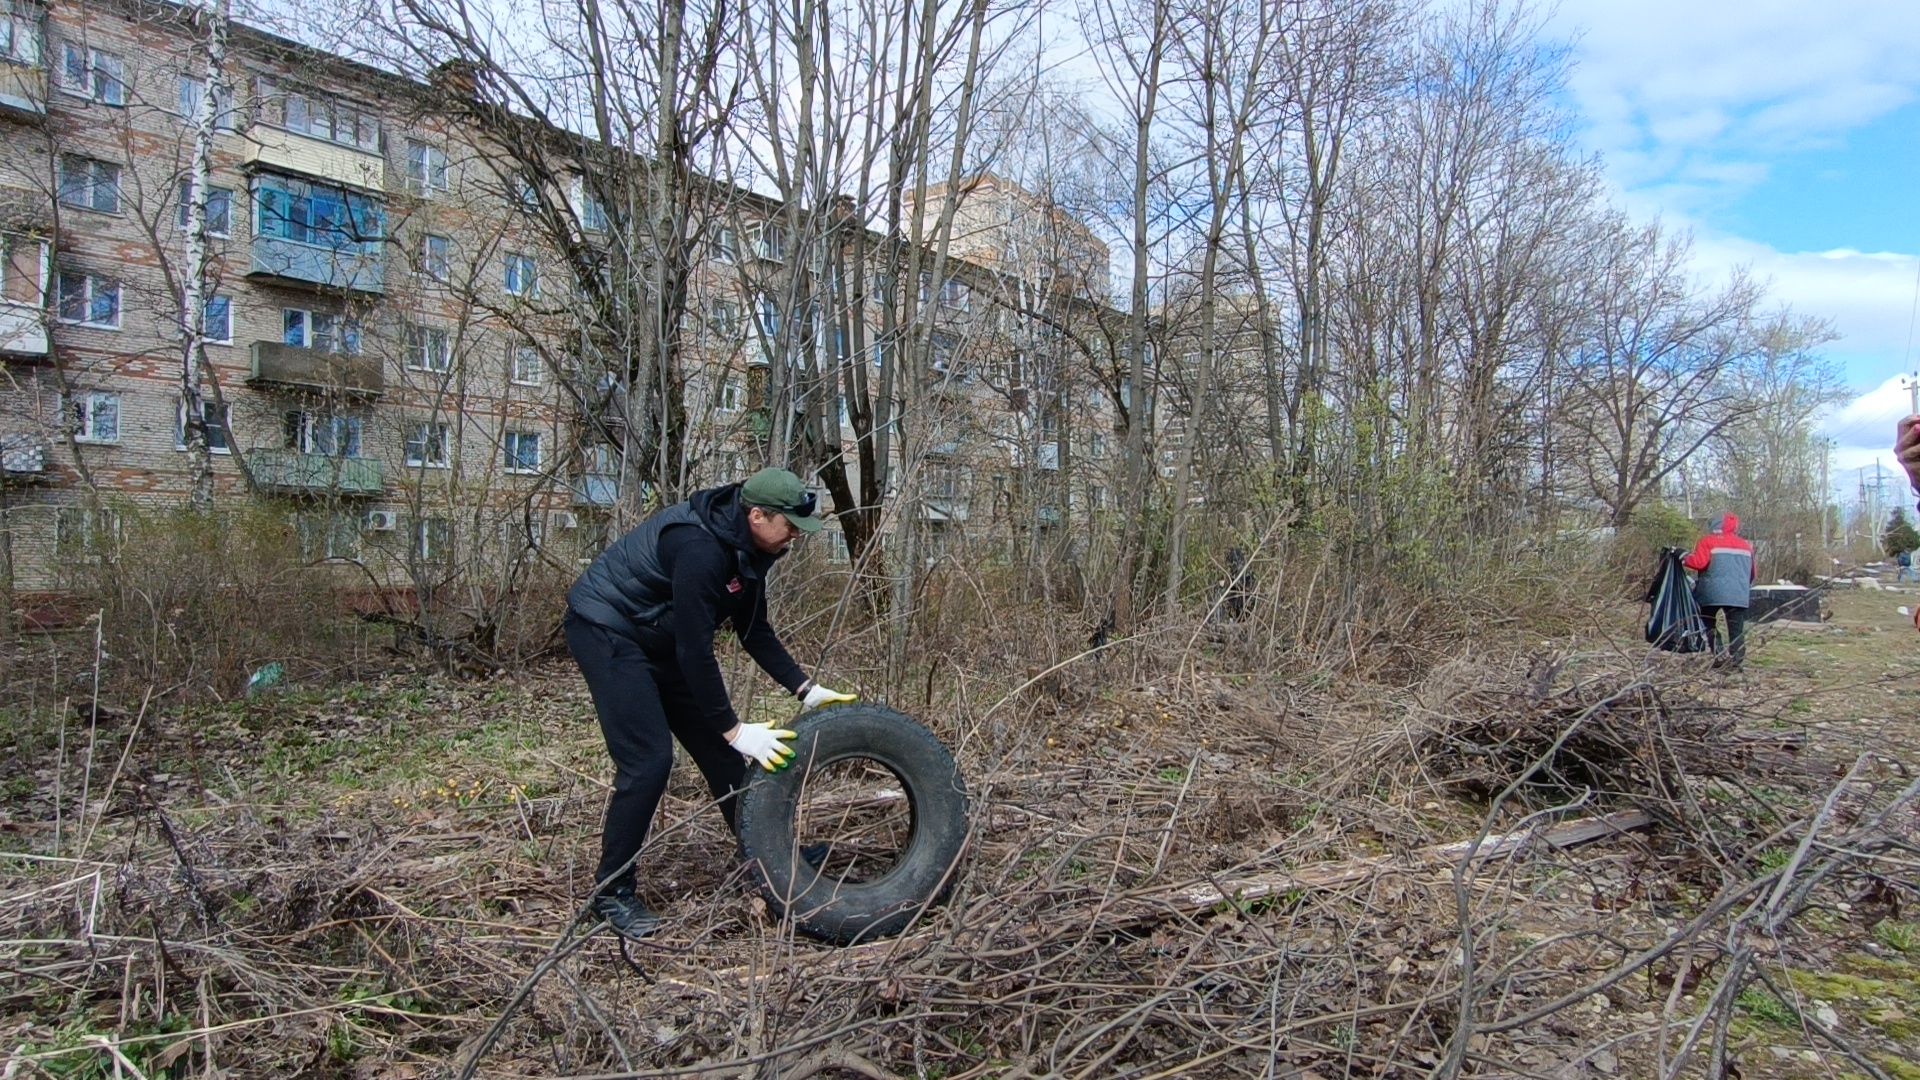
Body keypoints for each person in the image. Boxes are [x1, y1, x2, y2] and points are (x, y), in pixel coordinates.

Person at [564, 467, 857, 939]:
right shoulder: (700, 548)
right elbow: (694, 651)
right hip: (607, 630)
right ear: (758, 516)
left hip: (657, 636)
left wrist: (806, 690)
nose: (796, 540)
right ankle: (611, 894)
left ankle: (771, 858)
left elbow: (753, 630)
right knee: (649, 761)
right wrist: (736, 728)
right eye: (791, 528)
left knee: (724, 756)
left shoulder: (752, 547)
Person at [1681, 513, 1755, 670]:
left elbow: (1699, 563)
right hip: (1739, 594)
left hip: (1711, 593)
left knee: (1709, 624)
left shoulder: (1708, 541)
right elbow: (1752, 572)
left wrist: (1683, 557)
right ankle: (1736, 662)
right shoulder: (1745, 545)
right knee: (1736, 630)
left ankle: (1718, 656)